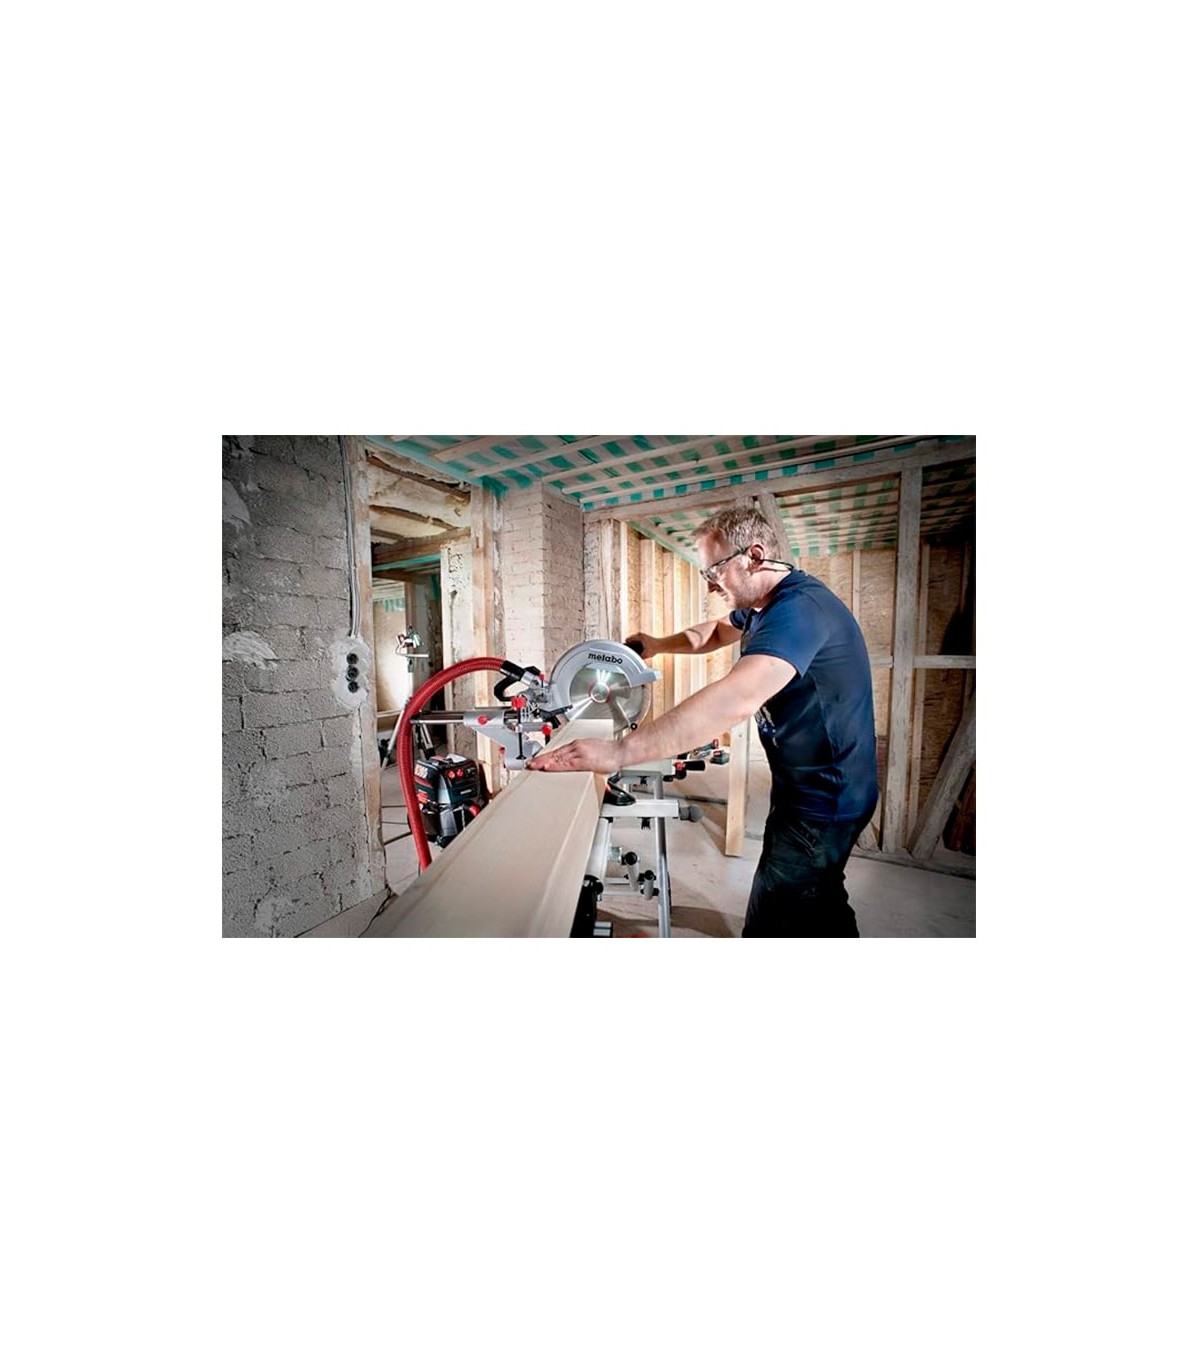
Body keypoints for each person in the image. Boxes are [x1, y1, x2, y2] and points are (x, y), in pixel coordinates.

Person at [528, 503, 878, 937]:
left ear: (754, 556)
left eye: (715, 571)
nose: (710, 585)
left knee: (774, 919)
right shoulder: (764, 605)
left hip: (825, 800)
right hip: (811, 787)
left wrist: (618, 752)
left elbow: (736, 698)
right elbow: (714, 632)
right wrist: (657, 644)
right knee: (821, 901)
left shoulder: (800, 611)